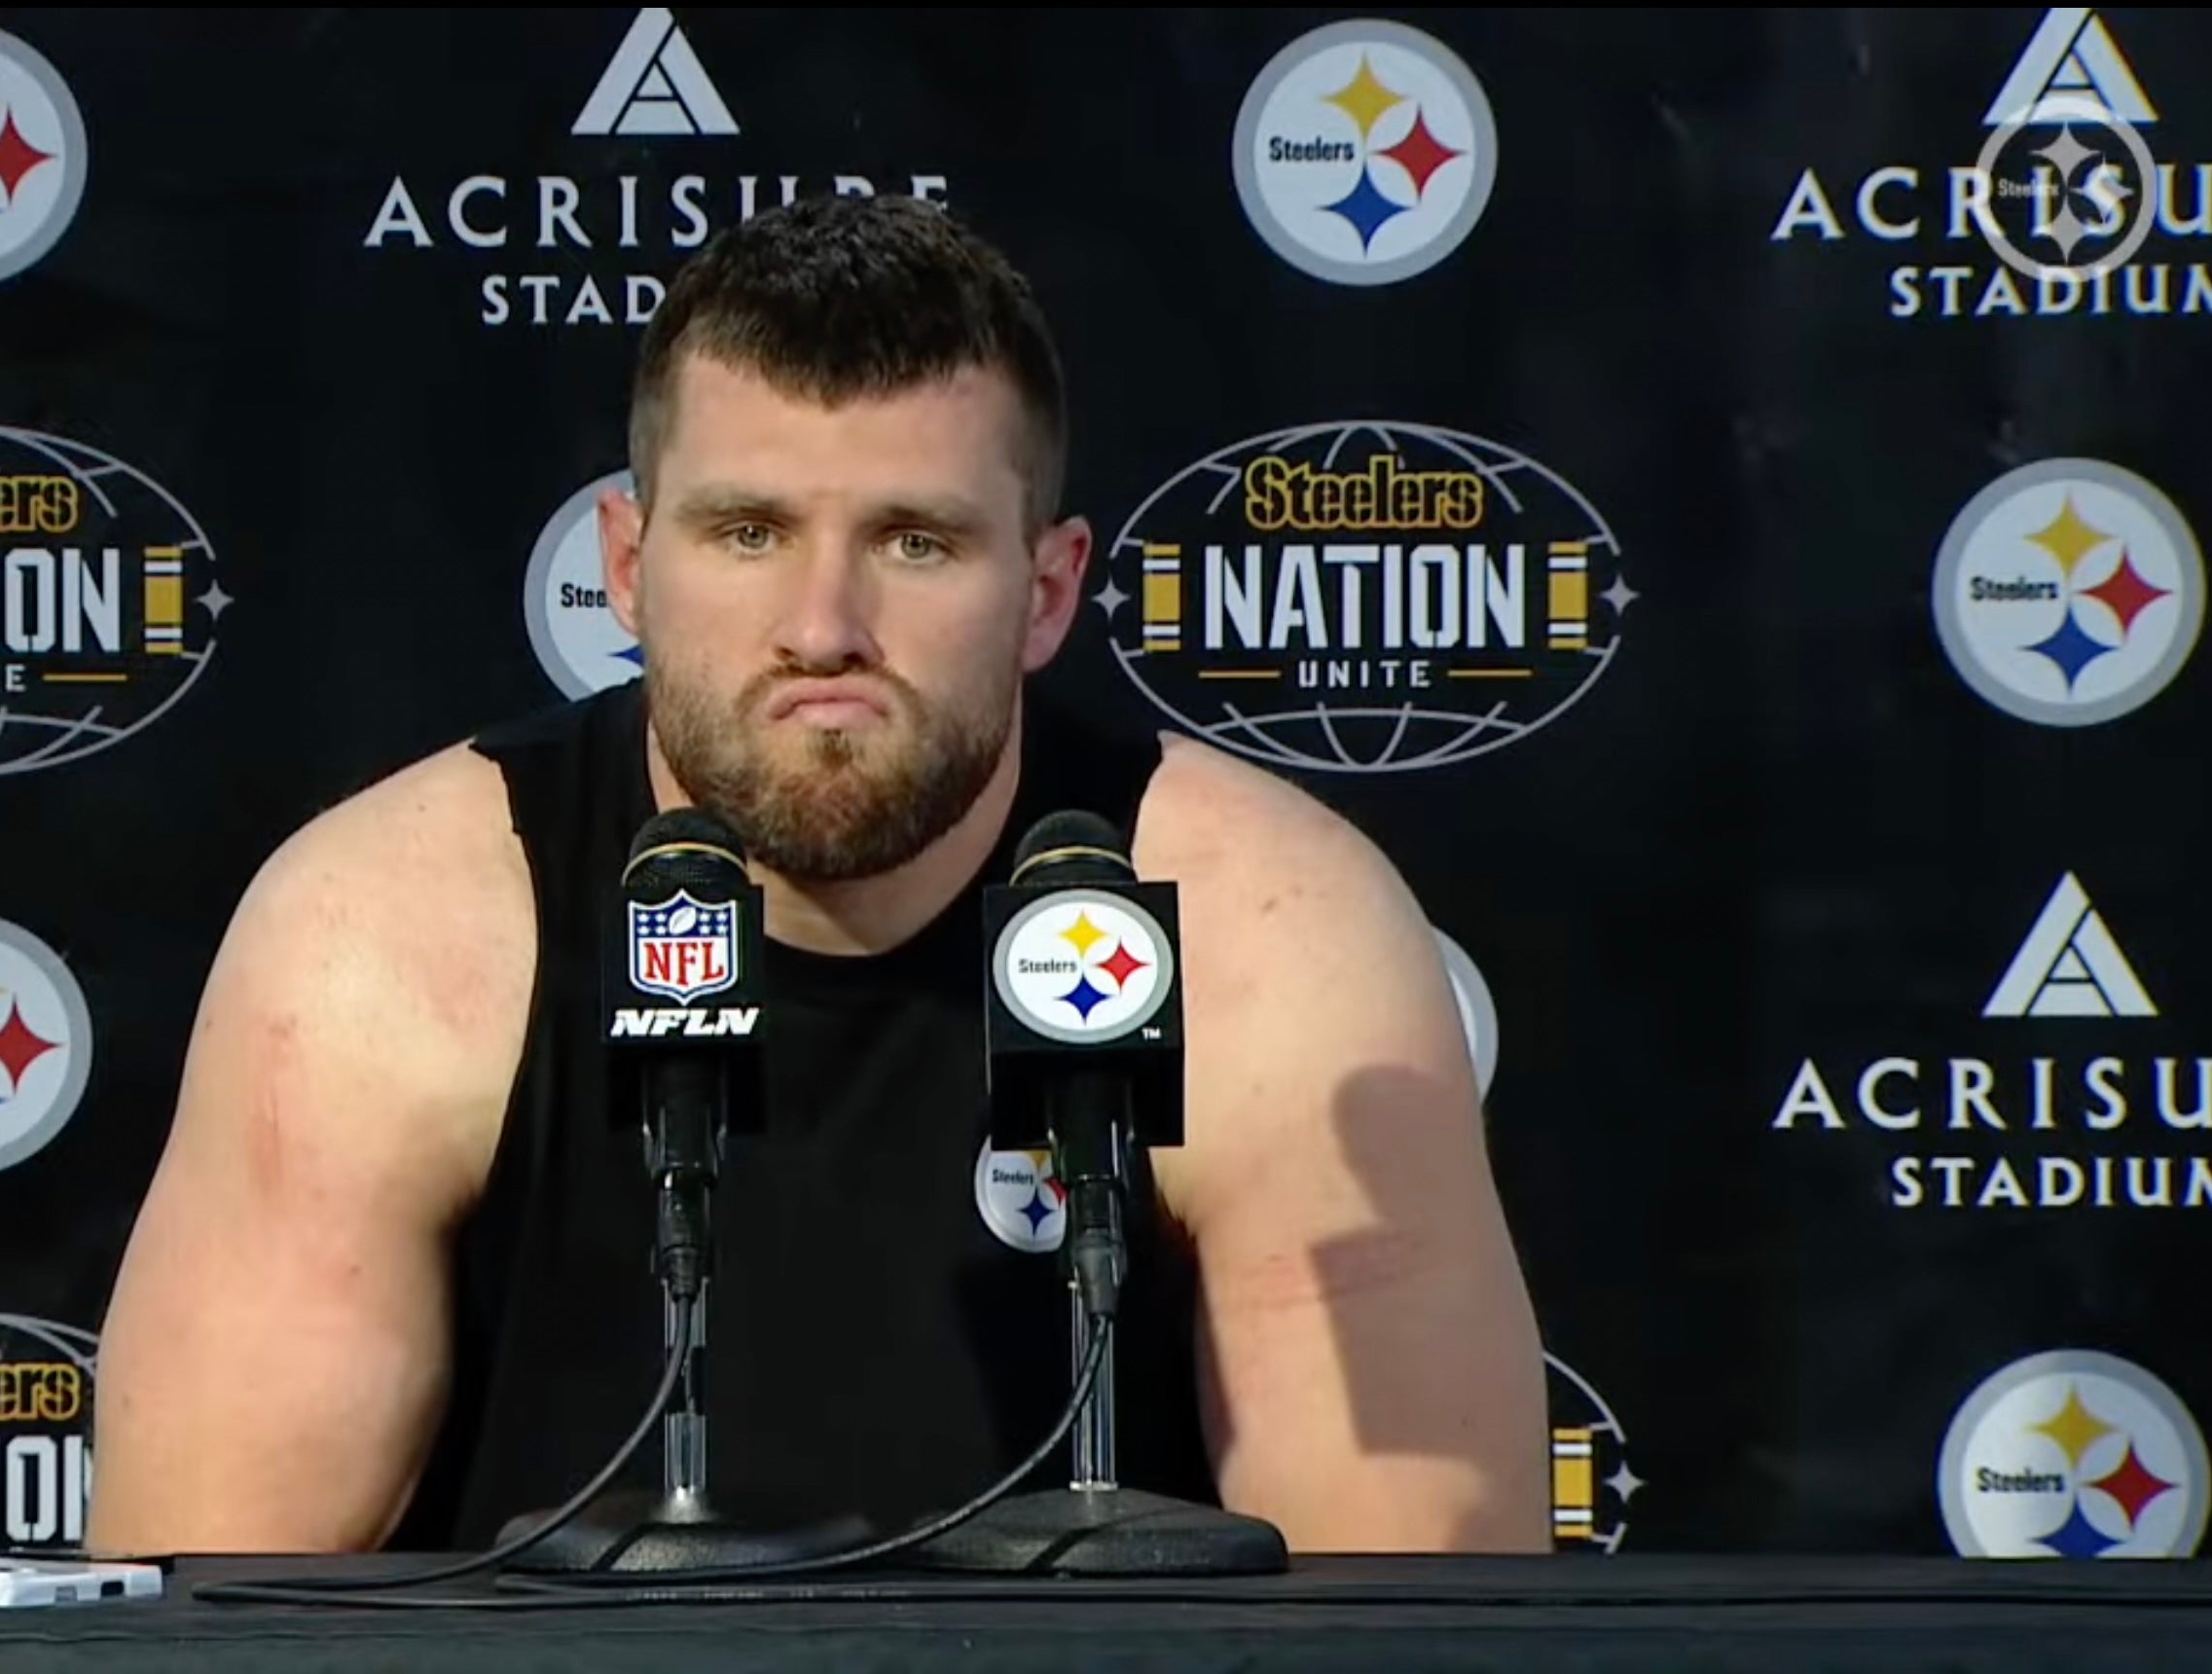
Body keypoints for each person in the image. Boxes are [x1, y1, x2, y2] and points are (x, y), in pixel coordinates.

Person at [87, 193, 1548, 1557]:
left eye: (916, 542)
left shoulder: (1271, 933)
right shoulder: (384, 937)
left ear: (1044, 590)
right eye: (748, 533)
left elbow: (1414, 1609)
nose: (824, 627)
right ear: (627, 564)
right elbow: (204, 1610)